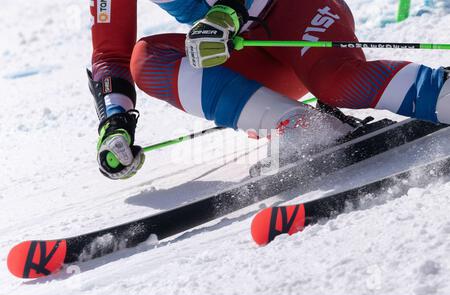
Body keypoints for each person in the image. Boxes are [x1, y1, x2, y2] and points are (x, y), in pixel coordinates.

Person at [89, 0, 450, 180]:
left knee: (338, 83)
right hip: (243, 49)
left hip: (296, 13)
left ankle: (442, 92)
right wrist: (115, 122)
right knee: (147, 60)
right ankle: (301, 127)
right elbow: (110, 55)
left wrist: (227, 12)